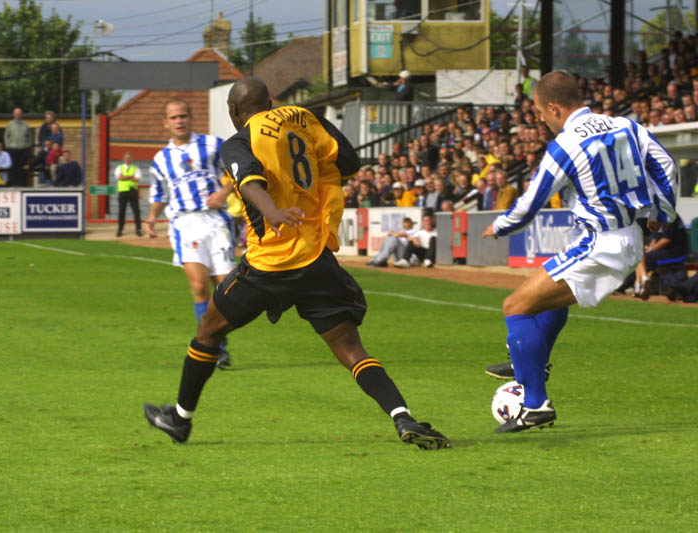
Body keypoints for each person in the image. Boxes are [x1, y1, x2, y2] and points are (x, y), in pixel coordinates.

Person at [142, 77, 450, 450]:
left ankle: (180, 419)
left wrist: (272, 210)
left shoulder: (240, 141)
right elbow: (348, 161)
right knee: (352, 350)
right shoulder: (305, 117)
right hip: (316, 259)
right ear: (270, 101)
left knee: (208, 330)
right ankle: (403, 417)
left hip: (268, 264)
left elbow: (251, 181)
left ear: (235, 111)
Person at [481, 71, 678, 433]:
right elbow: (666, 165)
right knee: (549, 299)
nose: (540, 119)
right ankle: (533, 366)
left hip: (601, 243)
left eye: (541, 112)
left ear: (554, 107)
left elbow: (532, 202)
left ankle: (535, 402)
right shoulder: (626, 126)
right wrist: (661, 215)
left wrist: (501, 226)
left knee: (515, 307)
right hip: (627, 236)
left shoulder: (566, 145)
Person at [143, 99, 236, 369]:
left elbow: (236, 171)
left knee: (228, 289)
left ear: (191, 117)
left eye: (183, 115)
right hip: (185, 223)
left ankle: (216, 337)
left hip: (217, 222)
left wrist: (224, 191)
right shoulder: (161, 159)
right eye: (173, 117)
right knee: (198, 286)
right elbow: (159, 194)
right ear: (166, 123)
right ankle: (213, 347)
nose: (179, 121)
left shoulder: (212, 145)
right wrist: (151, 216)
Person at [114, 152, 143, 237]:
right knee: (121, 211)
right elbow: (119, 178)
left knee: (136, 211)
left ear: (132, 159)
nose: (128, 160)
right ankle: (120, 229)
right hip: (122, 191)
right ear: (123, 159)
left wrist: (125, 177)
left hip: (133, 191)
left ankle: (138, 229)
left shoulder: (136, 168)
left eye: (129, 158)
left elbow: (136, 179)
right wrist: (130, 176)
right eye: (126, 158)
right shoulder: (119, 168)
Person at [4, 107, 32, 187]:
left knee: (22, 168)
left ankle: (22, 184)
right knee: (13, 167)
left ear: (21, 114)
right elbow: (6, 136)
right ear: (14, 114)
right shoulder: (10, 124)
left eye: (19, 113)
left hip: (23, 149)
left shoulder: (26, 125)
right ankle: (13, 184)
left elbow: (29, 137)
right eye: (16, 113)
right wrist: (8, 145)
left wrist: (27, 146)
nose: (18, 115)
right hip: (12, 149)